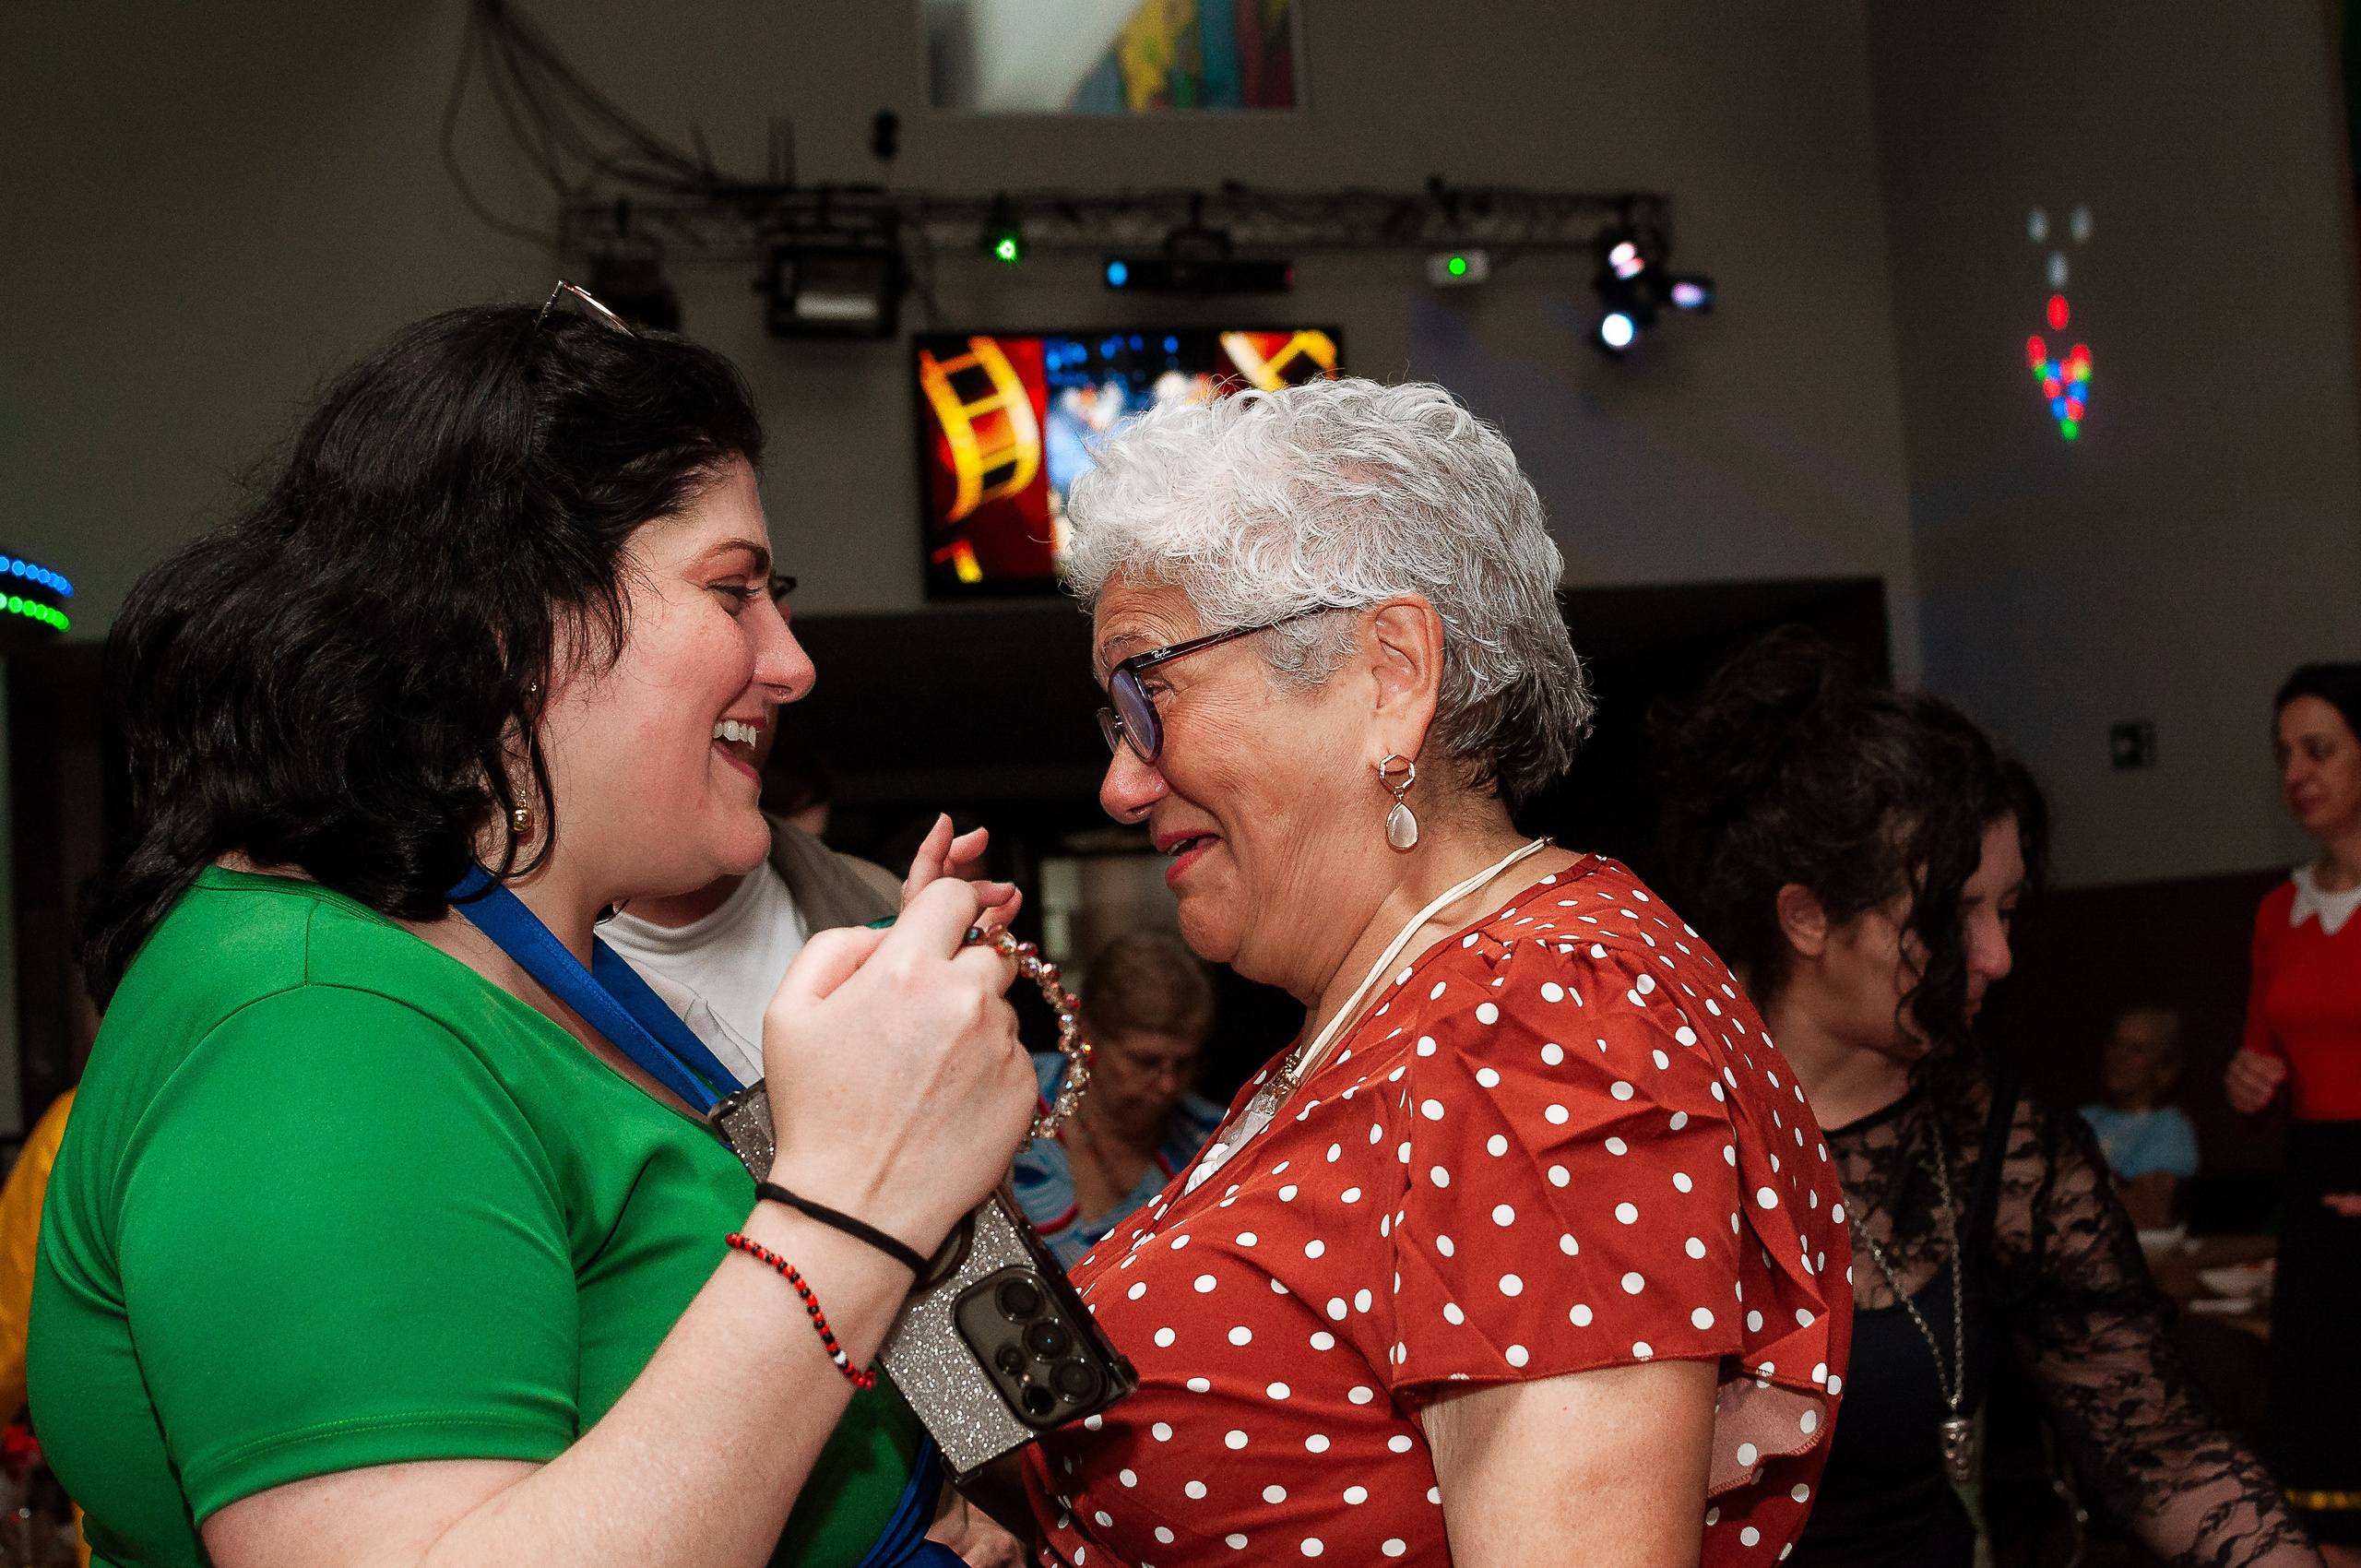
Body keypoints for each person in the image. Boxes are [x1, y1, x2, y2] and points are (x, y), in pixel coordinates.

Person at [29, 291, 1038, 1568]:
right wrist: (860, 1193)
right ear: (510, 620)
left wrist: (962, 1501)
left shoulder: (520, 961)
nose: (790, 665)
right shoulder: (316, 1025)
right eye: (733, 593)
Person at [996, 378, 1850, 1568]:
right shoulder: (1393, 1017)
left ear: (1390, 672)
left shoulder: (1537, 1022)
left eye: (1152, 688)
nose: (1123, 783)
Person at [1656, 630, 2318, 1568]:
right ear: (1806, 916)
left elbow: (2162, 1450)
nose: (1997, 957)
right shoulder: (1651, 1121)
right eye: (1952, 915)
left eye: (2003, 912)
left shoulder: (1991, 1135)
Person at [2225, 663, 2361, 1562]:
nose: (2296, 772)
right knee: (2327, 1461)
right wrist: (2249, 1087)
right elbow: (2266, 1085)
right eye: (2283, 754)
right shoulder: (2278, 909)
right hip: (2315, 1190)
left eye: (2319, 749)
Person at [1012, 930, 1224, 1265]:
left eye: (1184, 1063)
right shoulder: (1011, 1100)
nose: (1169, 1084)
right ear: (1087, 1033)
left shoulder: (1216, 1144)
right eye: (1145, 1062)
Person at [2080, 1005, 2200, 1229]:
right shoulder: (2082, 1118)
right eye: (2115, 1043)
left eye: (2136, 1049)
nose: (2119, 1056)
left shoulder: (2169, 1128)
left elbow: (2147, 1216)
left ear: (2165, 1069)